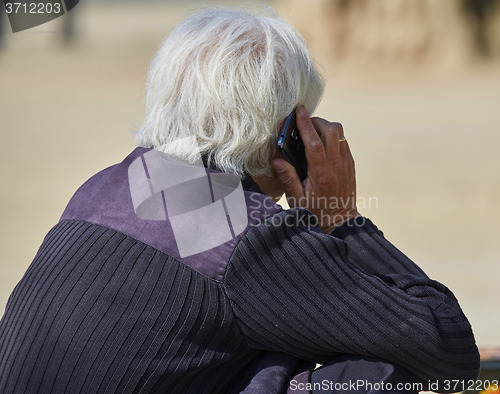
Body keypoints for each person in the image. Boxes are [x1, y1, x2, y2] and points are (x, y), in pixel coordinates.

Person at [0, 8, 479, 394]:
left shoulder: (104, 187)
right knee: (371, 370)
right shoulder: (247, 237)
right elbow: (449, 351)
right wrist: (342, 218)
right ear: (290, 135)